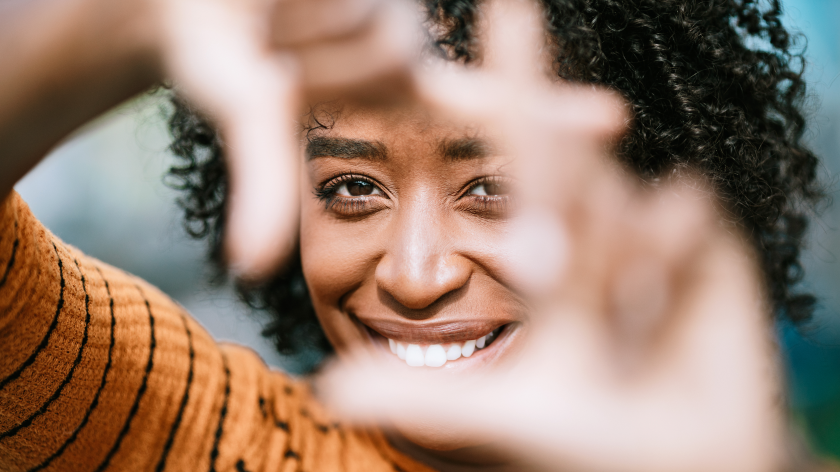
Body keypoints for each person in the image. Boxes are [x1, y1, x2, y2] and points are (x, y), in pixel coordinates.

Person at [0, 0, 831, 471]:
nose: (415, 271)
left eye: (496, 189)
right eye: (353, 189)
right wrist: (108, 35)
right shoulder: (208, 439)